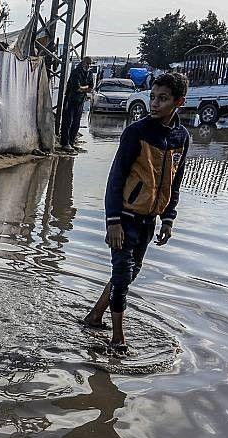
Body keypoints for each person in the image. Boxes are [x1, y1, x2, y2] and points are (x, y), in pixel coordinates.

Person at [82, 72, 191, 353]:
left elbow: (174, 181)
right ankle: (118, 339)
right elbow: (115, 178)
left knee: (129, 274)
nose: (155, 104)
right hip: (125, 218)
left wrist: (168, 219)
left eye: (163, 99)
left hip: (149, 221)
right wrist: (113, 222)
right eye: (153, 97)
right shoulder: (136, 132)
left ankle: (95, 317)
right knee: (121, 276)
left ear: (179, 102)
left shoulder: (181, 137)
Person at [59, 57, 93, 154]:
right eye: (87, 64)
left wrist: (84, 88)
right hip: (71, 99)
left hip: (80, 100)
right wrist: (85, 88)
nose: (88, 66)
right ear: (83, 63)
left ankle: (71, 141)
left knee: (76, 122)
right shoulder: (76, 72)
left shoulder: (90, 74)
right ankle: (65, 143)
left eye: (90, 64)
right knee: (67, 121)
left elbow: (91, 87)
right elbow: (76, 88)